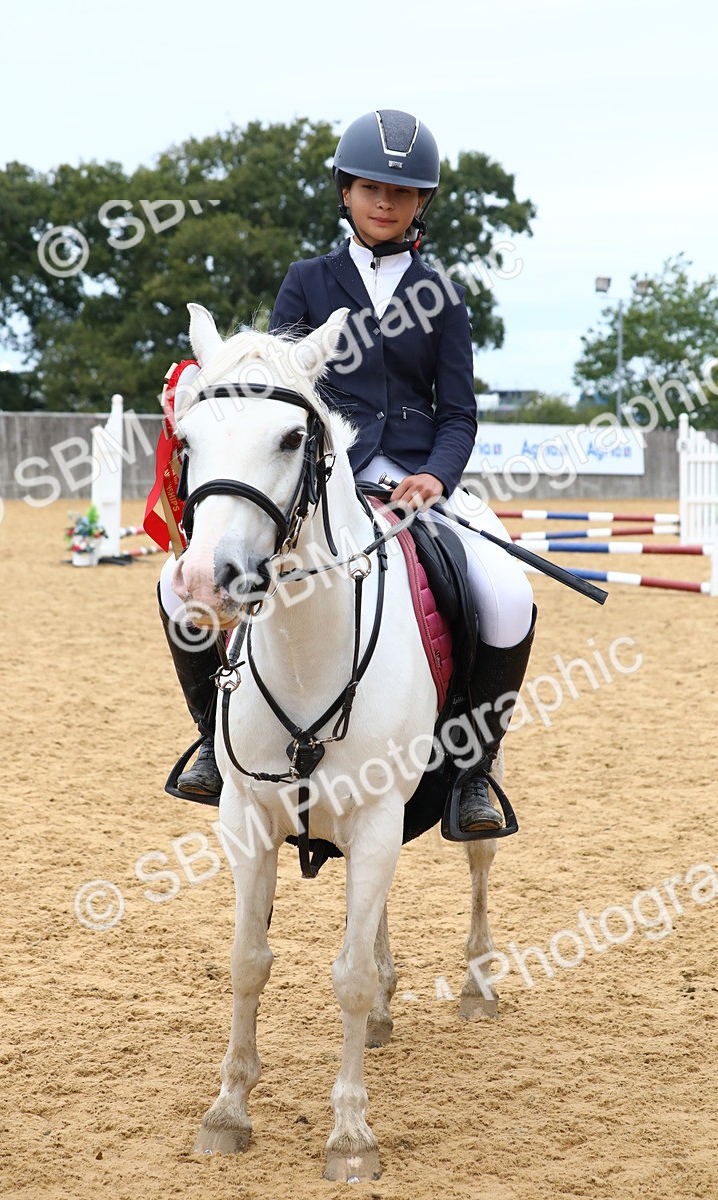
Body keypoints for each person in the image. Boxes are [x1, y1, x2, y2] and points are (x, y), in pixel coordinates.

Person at [157, 108, 536, 835]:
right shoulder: (307, 281)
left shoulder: (445, 295)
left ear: (421, 203)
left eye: (402, 192)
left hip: (417, 481)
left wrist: (436, 477)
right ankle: (214, 742)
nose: (385, 203)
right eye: (371, 189)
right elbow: (273, 387)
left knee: (507, 594)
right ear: (346, 192)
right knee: (176, 593)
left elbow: (458, 412)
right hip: (318, 478)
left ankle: (474, 777)